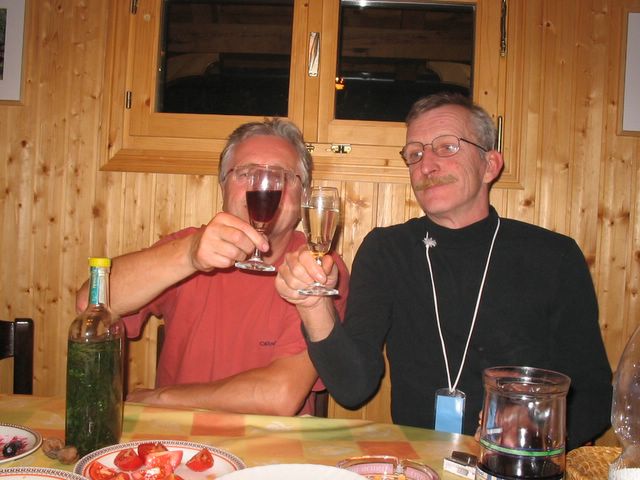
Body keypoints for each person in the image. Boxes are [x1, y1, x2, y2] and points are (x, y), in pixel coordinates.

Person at [276, 93, 612, 449]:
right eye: (415, 153)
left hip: (518, 465)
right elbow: (352, 387)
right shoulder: (387, 251)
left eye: (447, 147)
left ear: (489, 165)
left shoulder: (553, 256)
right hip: (419, 463)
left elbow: (594, 393)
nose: (427, 165)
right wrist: (313, 307)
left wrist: (539, 428)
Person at [76, 118, 349, 416]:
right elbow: (90, 302)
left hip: (269, 441)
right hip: (177, 438)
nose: (264, 185)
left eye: (281, 176)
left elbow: (279, 396)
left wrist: (159, 398)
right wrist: (188, 255)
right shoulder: (188, 246)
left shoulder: (316, 268)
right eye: (246, 173)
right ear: (222, 186)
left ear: (304, 195)